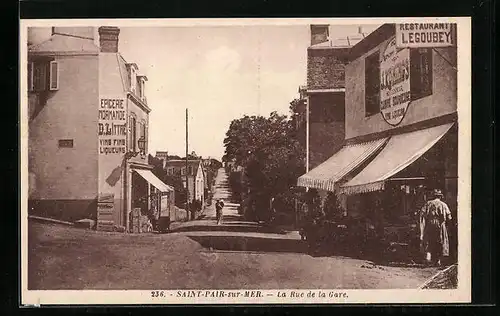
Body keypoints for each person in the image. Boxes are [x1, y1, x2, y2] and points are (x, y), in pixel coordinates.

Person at [419, 189, 452, 266]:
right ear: (440, 196)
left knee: (429, 241)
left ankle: (428, 258)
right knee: (441, 241)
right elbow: (449, 217)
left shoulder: (428, 203)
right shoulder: (444, 204)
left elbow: (422, 215)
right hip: (440, 224)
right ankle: (439, 261)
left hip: (430, 224)